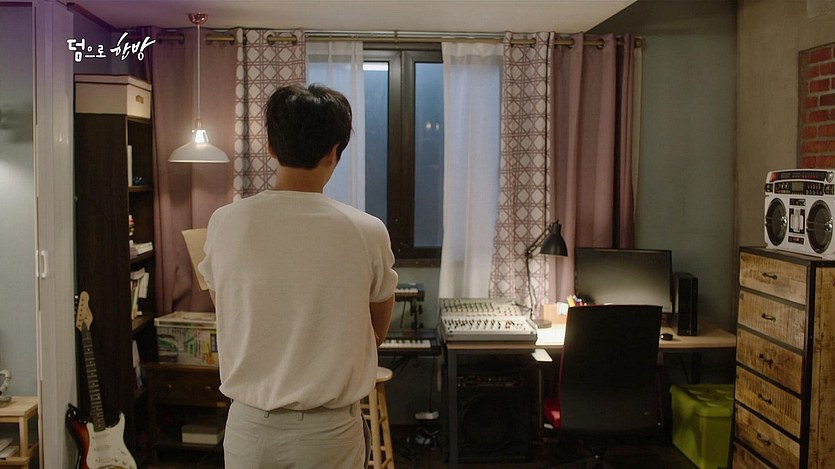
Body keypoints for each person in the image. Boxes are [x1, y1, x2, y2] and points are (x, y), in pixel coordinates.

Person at [198, 83, 398, 468]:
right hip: (328, 432)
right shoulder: (367, 231)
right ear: (334, 151)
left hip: (250, 428)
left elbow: (227, 310)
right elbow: (376, 331)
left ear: (272, 148)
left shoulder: (225, 222)